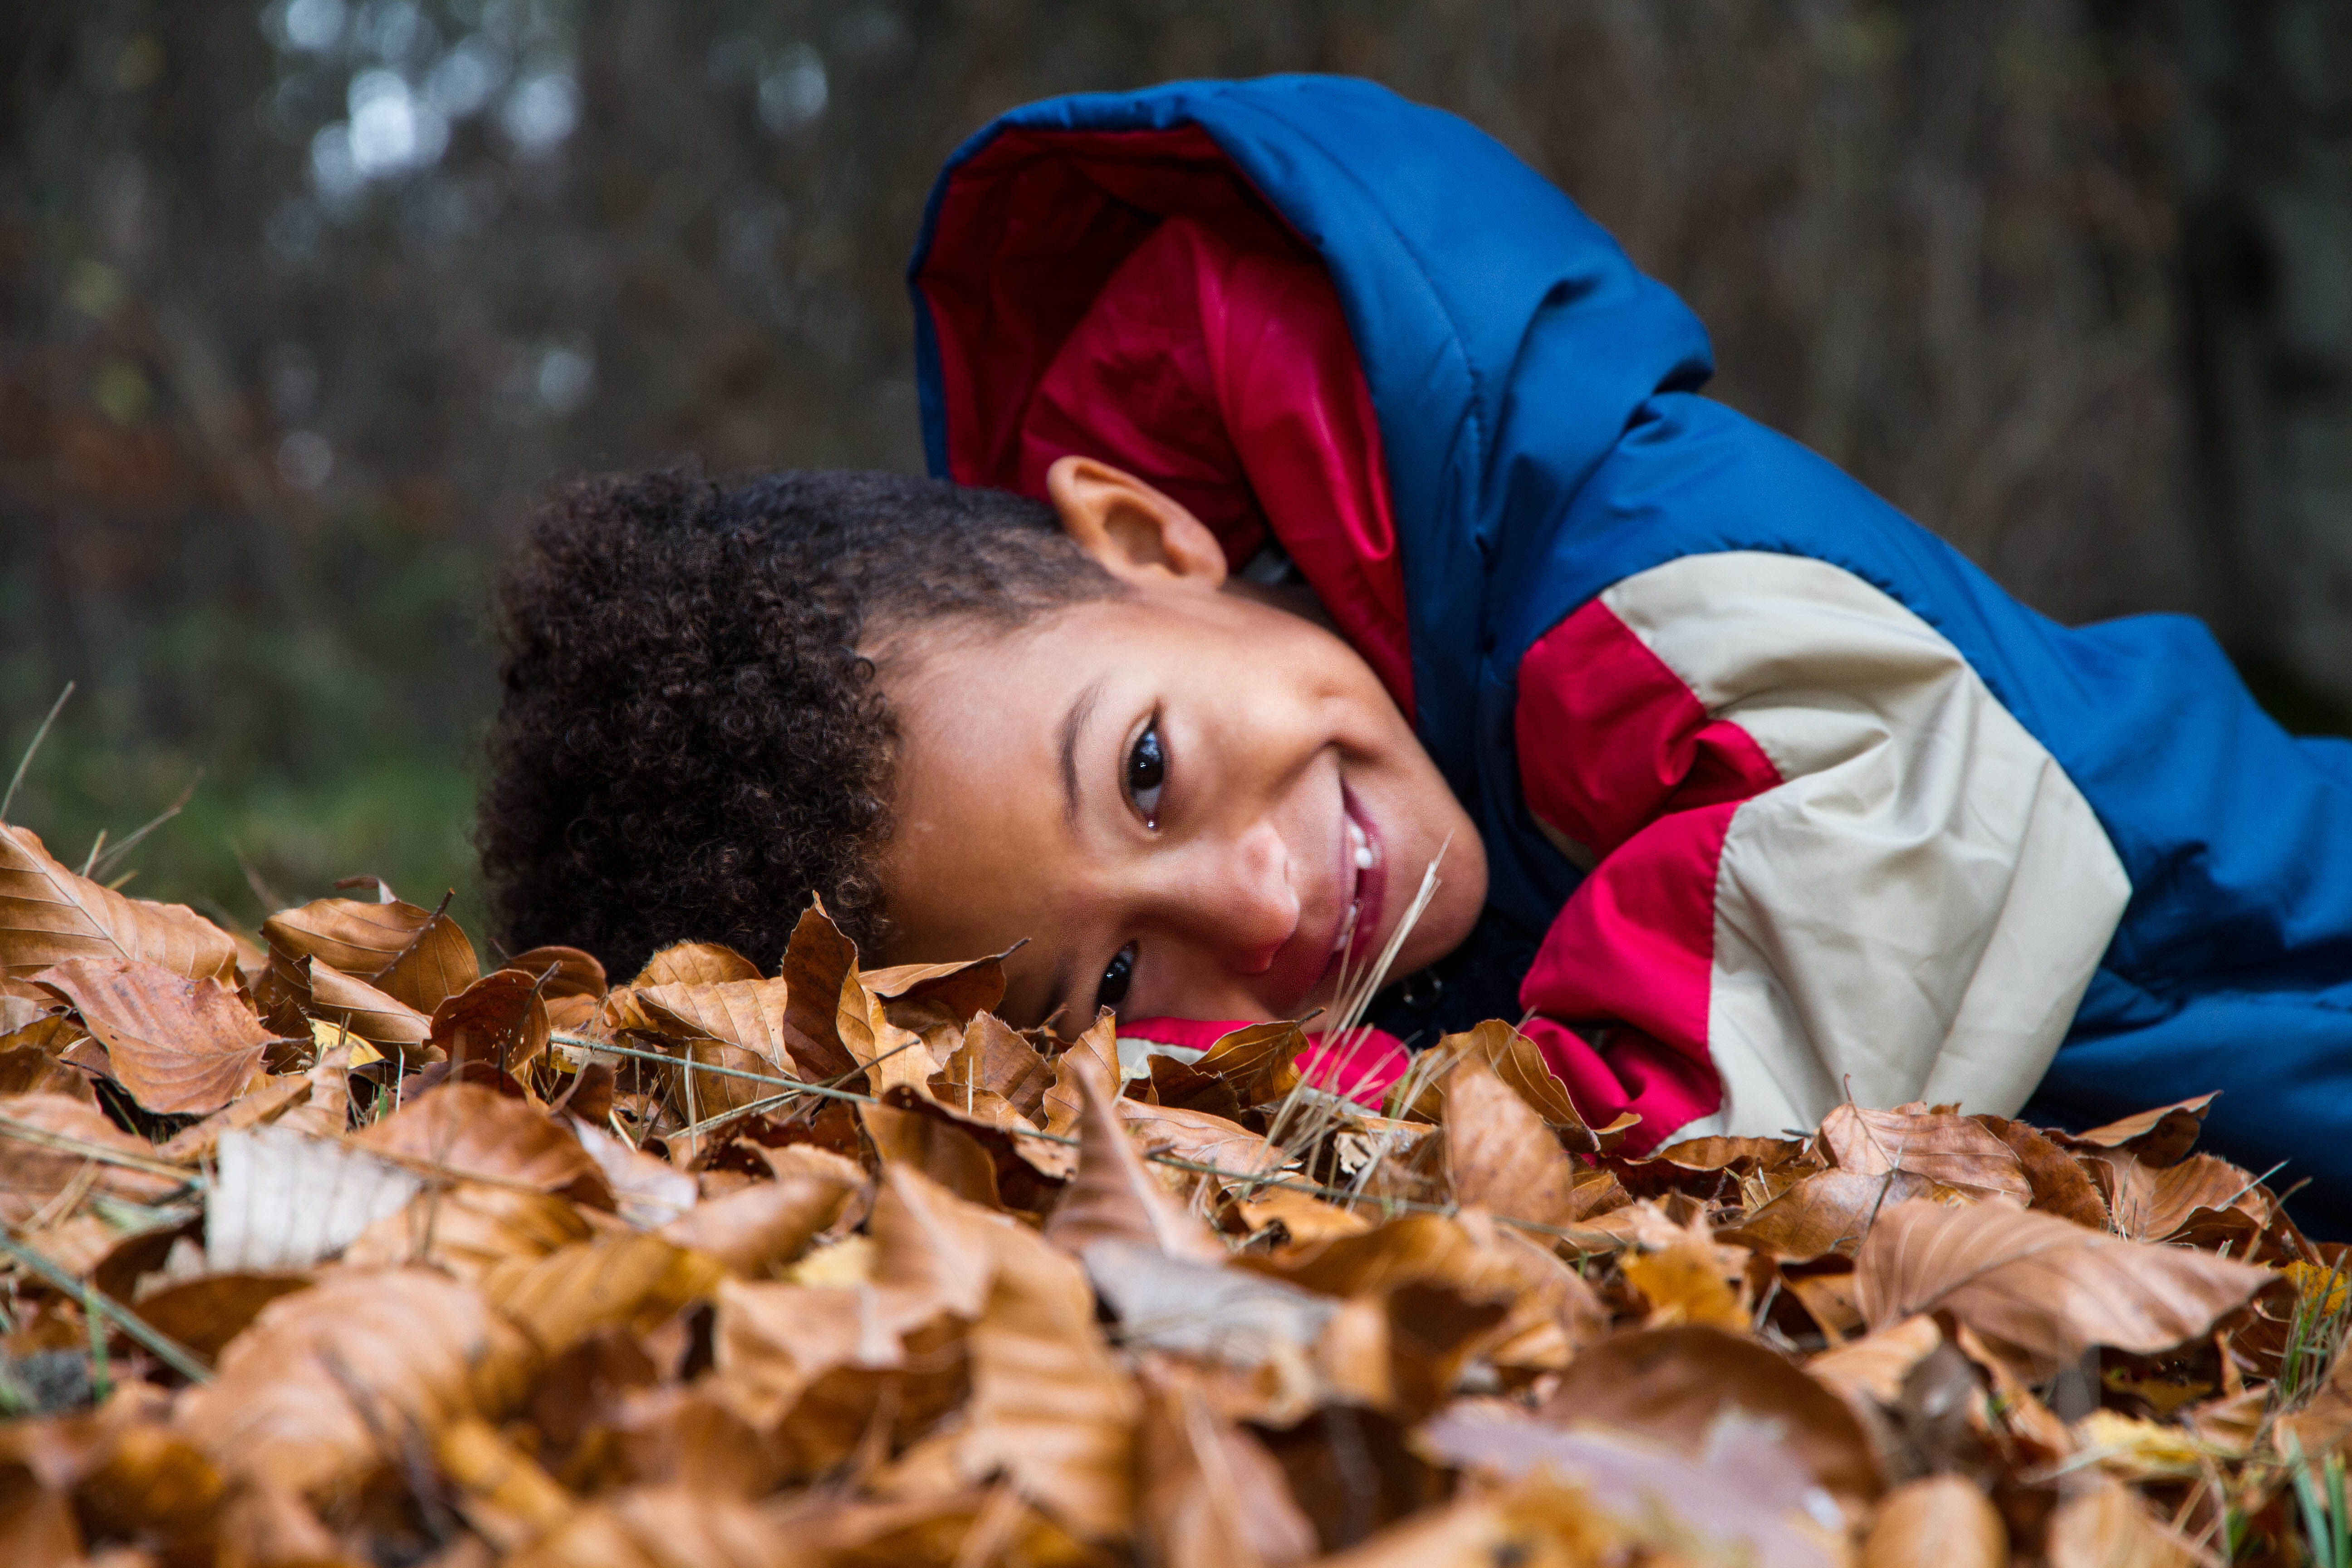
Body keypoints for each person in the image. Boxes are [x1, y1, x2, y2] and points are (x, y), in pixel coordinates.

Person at [481, 77, 2352, 1230]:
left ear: (1149, 544)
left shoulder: (1608, 546)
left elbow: (1889, 843)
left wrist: (1388, 1126)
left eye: (1146, 771)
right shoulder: (1398, 845)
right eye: (1122, 981)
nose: (1267, 898)